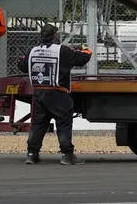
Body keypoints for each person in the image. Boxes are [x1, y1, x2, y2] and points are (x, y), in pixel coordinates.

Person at [17, 23, 91, 165]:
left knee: (38, 124)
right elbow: (81, 59)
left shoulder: (32, 50)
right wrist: (86, 50)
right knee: (63, 123)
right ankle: (67, 155)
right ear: (55, 36)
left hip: (39, 93)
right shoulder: (61, 51)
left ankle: (32, 154)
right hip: (58, 93)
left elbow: (21, 65)